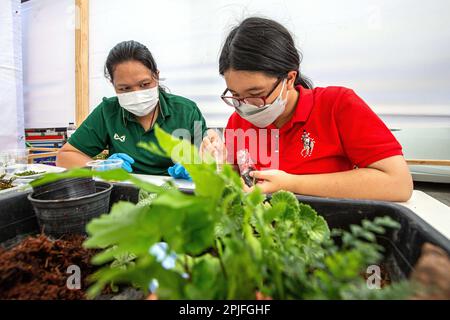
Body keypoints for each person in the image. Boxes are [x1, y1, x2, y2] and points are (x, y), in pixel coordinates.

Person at [200, 17, 413, 201]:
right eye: (236, 95)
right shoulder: (238, 122)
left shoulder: (337, 105)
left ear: (289, 78)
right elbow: (236, 182)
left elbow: (398, 183)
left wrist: (292, 184)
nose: (246, 106)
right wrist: (216, 164)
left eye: (256, 94)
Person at [57, 40, 206, 175]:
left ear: (156, 76)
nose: (137, 94)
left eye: (144, 84)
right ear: (113, 85)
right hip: (125, 194)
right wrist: (99, 167)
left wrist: (196, 167)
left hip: (175, 195)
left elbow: (209, 155)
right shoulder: (108, 112)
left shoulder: (187, 111)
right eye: (125, 88)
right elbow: (65, 156)